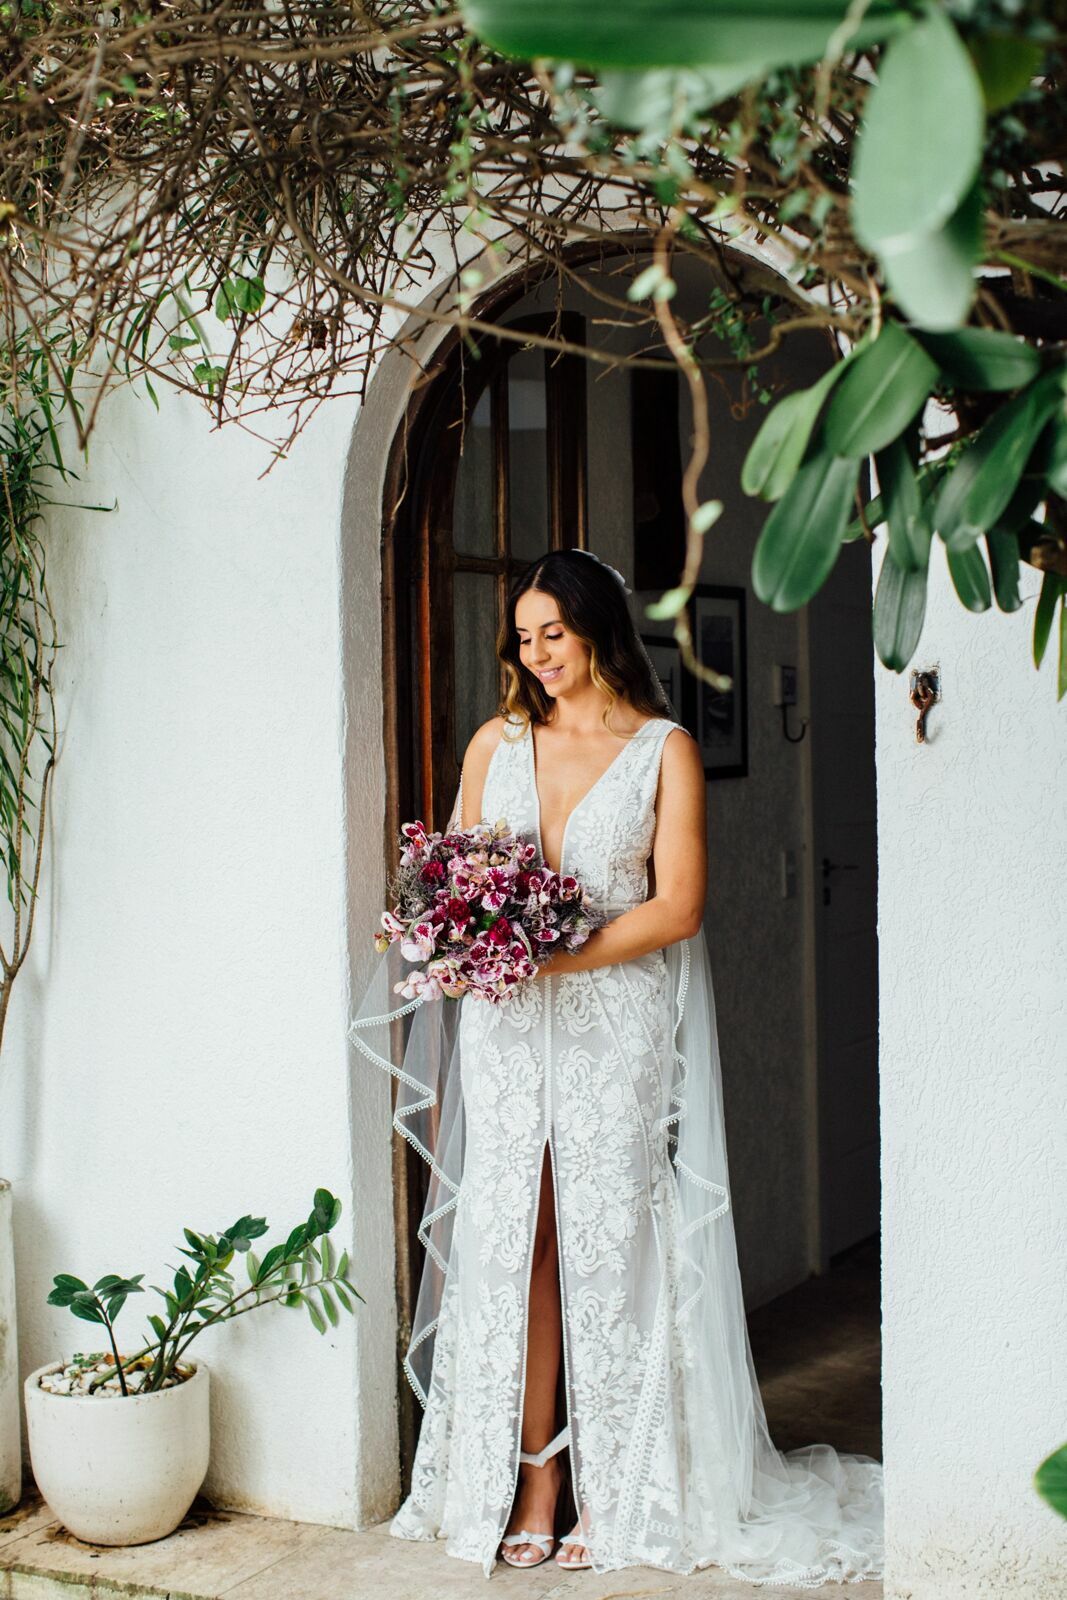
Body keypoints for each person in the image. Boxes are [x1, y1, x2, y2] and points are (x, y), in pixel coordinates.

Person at [350, 548, 884, 1584]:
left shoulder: (661, 749)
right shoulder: (493, 746)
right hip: (509, 1035)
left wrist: (551, 950)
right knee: (521, 1238)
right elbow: (449, 879)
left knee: (611, 1238)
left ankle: (617, 1482)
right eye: (523, 635)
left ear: (597, 629)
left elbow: (677, 904)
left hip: (615, 1028)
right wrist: (462, 940)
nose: (536, 653)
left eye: (554, 631)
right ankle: (533, 1477)